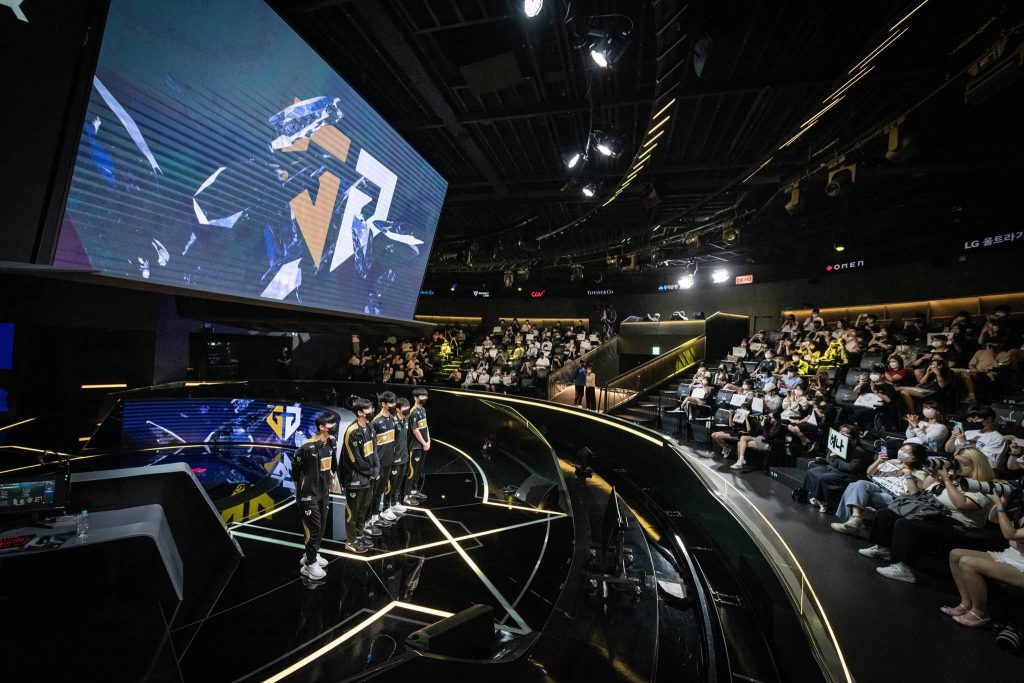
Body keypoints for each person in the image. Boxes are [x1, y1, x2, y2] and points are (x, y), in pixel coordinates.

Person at [860, 447, 995, 583]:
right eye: (956, 461)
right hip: (934, 513)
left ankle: (905, 568)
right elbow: (925, 488)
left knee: (906, 524)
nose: (957, 465)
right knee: (887, 513)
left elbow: (961, 504)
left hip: (958, 524)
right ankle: (883, 549)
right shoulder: (954, 477)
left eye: (963, 463)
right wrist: (936, 474)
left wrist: (946, 480)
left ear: (976, 466)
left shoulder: (981, 486)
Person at [944, 492, 1024, 628]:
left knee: (968, 563)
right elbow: (993, 518)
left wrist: (999, 505)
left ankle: (979, 613)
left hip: (1021, 565)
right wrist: (1004, 500)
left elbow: (1011, 534)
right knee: (955, 555)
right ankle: (966, 603)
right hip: (1011, 555)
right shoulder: (1020, 509)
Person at [831, 442, 928, 534]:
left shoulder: (920, 473)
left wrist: (908, 475)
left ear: (915, 458)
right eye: (902, 449)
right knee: (859, 484)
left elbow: (914, 493)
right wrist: (878, 461)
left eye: (907, 452)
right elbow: (870, 473)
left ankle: (854, 521)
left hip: (895, 497)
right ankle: (856, 518)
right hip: (879, 487)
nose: (902, 452)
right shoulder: (893, 461)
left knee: (853, 488)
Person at [292, 412, 341, 577]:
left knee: (321, 528)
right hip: (308, 496)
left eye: (334, 423)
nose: (334, 426)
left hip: (323, 493)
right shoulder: (306, 448)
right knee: (313, 529)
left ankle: (312, 554)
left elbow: (333, 466)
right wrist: (299, 492)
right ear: (321, 427)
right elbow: (295, 471)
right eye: (331, 424)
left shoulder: (332, 442)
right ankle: (309, 565)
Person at [800, 424, 867, 513]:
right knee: (811, 472)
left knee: (822, 478)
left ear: (852, 437)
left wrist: (834, 460)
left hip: (846, 475)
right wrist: (833, 459)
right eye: (841, 432)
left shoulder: (859, 451)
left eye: (845, 433)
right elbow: (829, 458)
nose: (841, 434)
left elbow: (850, 467)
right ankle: (808, 494)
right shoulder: (837, 442)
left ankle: (824, 502)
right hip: (833, 468)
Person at [341, 399, 377, 553]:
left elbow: (374, 450)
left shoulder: (370, 426)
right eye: (368, 409)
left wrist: (376, 469)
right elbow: (355, 459)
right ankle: (350, 541)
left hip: (368, 476)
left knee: (363, 509)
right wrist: (371, 471)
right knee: (353, 512)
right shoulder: (352, 431)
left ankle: (359, 535)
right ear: (360, 412)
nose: (372, 410)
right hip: (354, 478)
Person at [369, 392, 399, 531]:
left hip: (389, 462)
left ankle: (376, 515)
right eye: (391, 403)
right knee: (373, 492)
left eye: (394, 402)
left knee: (380, 491)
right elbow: (371, 446)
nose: (393, 405)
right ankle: (370, 518)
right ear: (383, 404)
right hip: (379, 464)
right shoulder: (375, 422)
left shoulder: (392, 419)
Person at [405, 388, 430, 505]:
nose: (425, 398)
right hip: (415, 446)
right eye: (422, 396)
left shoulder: (423, 410)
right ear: (415, 398)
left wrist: (428, 441)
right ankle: (407, 495)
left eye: (426, 396)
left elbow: (425, 427)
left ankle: (414, 490)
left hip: (423, 445)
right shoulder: (413, 412)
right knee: (412, 471)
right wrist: (424, 443)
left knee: (419, 470)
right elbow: (415, 430)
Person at [388, 398, 411, 515]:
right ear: (397, 409)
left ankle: (395, 503)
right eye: (404, 407)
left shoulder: (406, 420)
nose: (407, 409)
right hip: (395, 458)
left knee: (399, 482)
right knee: (392, 483)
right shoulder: (393, 421)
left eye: (408, 406)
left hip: (404, 456)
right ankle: (388, 505)